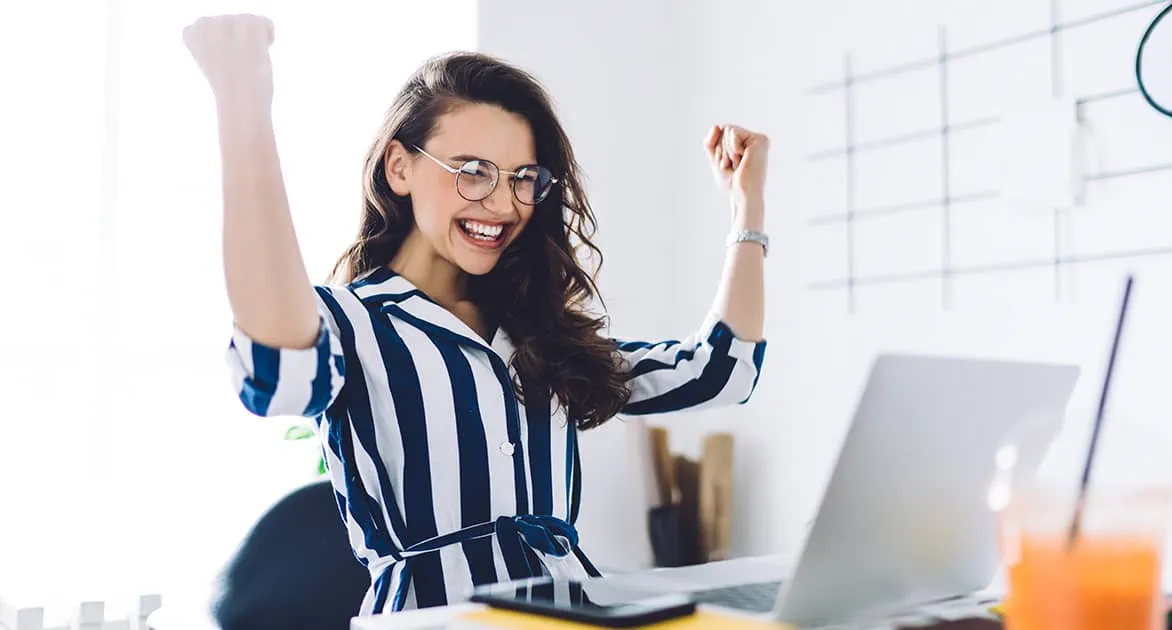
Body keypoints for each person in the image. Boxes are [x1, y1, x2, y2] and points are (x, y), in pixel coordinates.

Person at [184, 13, 769, 616]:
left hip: (569, 617)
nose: (502, 202)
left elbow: (722, 370)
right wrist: (244, 99)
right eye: (472, 171)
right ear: (399, 167)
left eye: (523, 178)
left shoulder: (539, 333)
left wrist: (746, 208)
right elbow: (280, 373)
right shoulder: (352, 325)